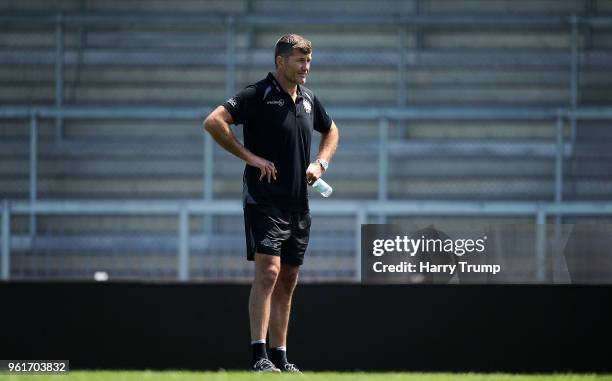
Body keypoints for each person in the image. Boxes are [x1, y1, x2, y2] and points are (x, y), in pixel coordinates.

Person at [203, 34, 339, 372]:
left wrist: (319, 163)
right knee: (269, 272)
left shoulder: (309, 99)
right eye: (300, 61)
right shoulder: (257, 94)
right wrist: (250, 157)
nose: (306, 67)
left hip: (298, 203)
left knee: (289, 278)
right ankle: (258, 356)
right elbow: (213, 121)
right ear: (281, 61)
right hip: (263, 199)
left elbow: (332, 131)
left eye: (308, 61)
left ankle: (280, 356)